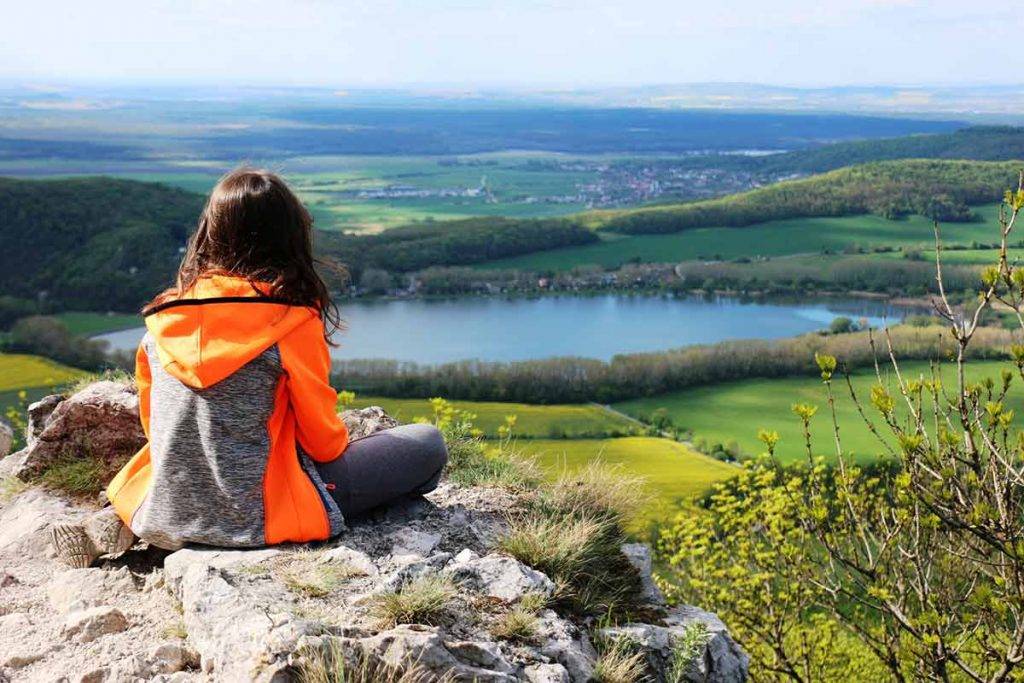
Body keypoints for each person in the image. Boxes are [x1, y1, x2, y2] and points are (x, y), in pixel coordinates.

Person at [51, 168, 448, 567]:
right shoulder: (289, 321)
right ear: (289, 236)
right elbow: (324, 444)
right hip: (262, 517)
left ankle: (121, 520)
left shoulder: (163, 319)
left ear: (211, 234)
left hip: (167, 509)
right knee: (427, 443)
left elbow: (157, 429)